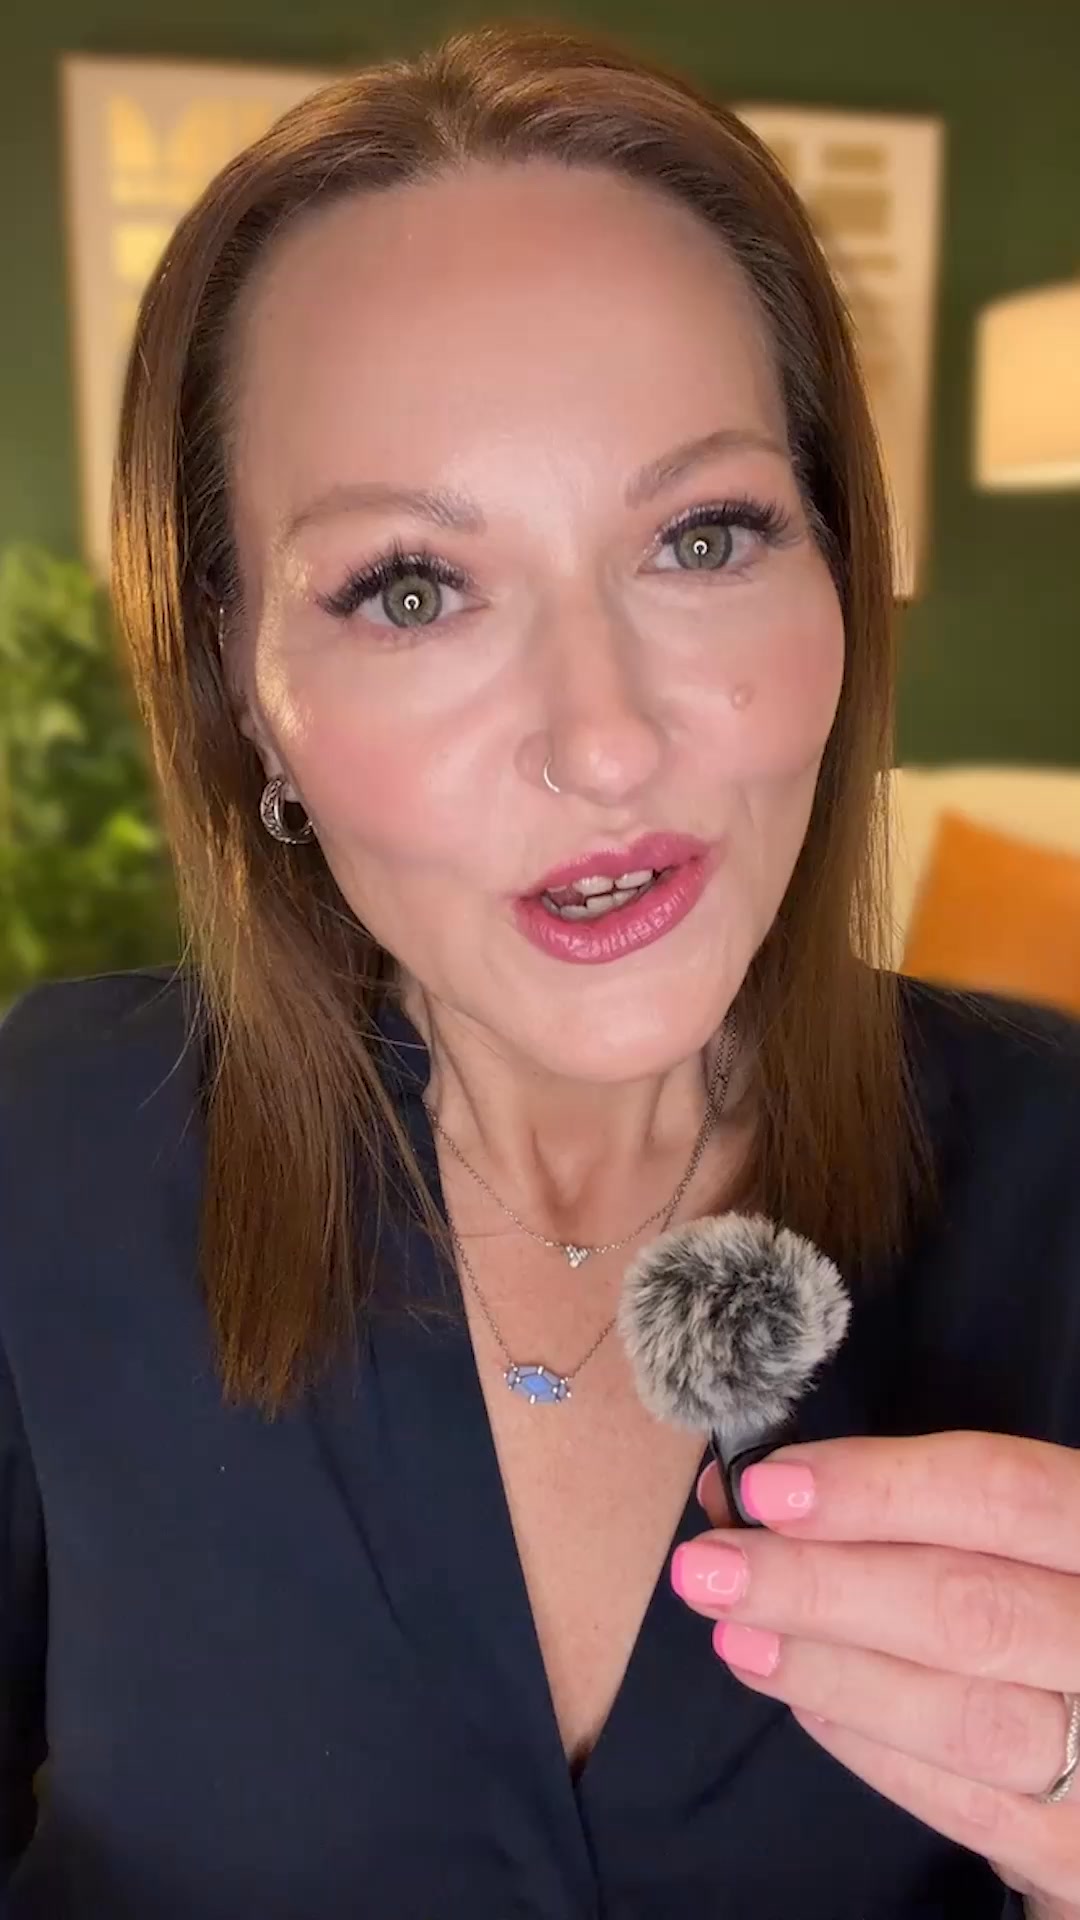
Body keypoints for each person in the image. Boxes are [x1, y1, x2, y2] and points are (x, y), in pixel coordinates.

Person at [1, 23, 1078, 1918]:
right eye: (411, 589)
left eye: (704, 536)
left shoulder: (1057, 1169)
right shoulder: (52, 1144)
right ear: (245, 692)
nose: (605, 742)